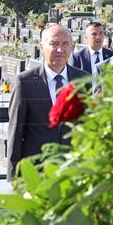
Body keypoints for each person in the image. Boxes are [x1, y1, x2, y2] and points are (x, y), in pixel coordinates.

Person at [7, 25, 89, 176]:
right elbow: (16, 132)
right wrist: (13, 177)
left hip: (74, 169)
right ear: (41, 46)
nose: (60, 49)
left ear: (72, 47)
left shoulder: (83, 80)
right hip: (37, 170)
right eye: (54, 44)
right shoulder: (25, 81)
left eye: (65, 44)